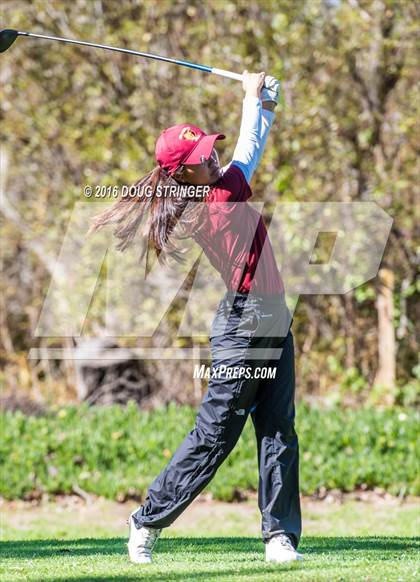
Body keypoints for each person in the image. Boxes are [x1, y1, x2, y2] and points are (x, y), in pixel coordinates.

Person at [89, 71, 302, 565]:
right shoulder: (219, 199)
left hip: (271, 319)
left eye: (208, 148)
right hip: (244, 324)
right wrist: (254, 101)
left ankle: (279, 536)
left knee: (278, 429)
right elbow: (248, 150)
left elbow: (249, 147)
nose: (210, 155)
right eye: (199, 156)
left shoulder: (216, 185)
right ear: (181, 173)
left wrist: (266, 104)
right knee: (215, 435)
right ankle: (146, 521)